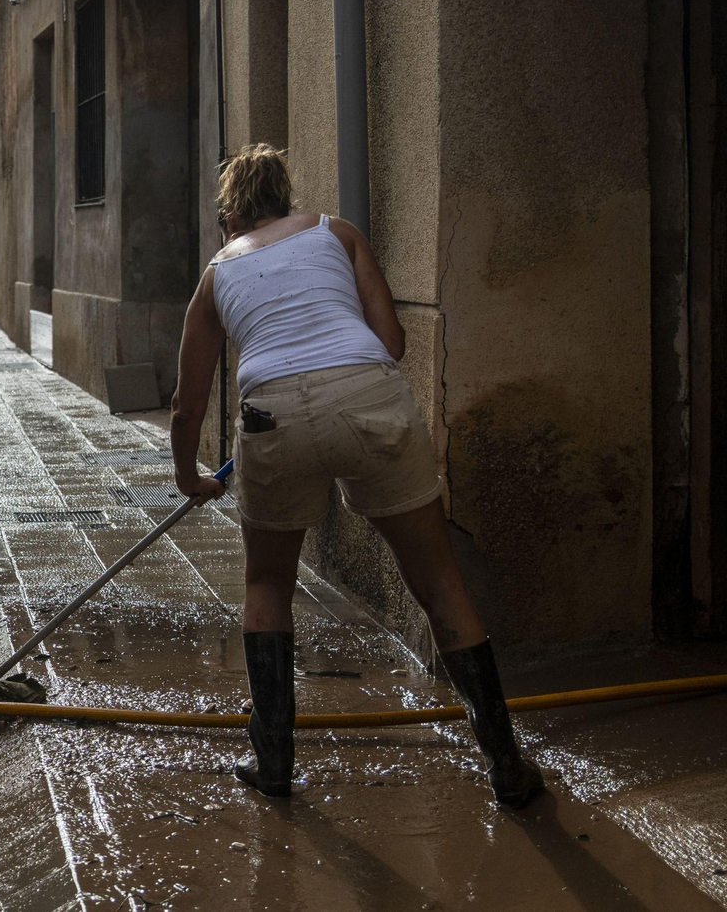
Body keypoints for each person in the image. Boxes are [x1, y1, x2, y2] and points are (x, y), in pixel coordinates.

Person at [169, 143, 543, 809]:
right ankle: (506, 764)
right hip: (368, 395)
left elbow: (187, 401)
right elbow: (392, 342)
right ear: (285, 201)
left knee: (266, 583)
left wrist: (191, 477)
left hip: (270, 416)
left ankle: (274, 764)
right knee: (437, 582)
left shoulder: (216, 273)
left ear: (231, 217)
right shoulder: (334, 233)